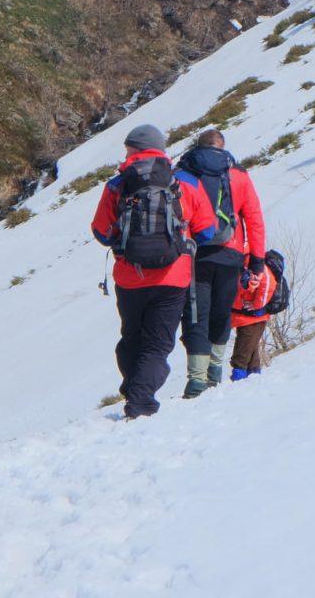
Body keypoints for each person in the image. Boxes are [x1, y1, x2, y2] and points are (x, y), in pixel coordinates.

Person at [91, 124, 216, 420]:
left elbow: (101, 232)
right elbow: (208, 230)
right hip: (173, 277)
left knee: (131, 337)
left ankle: (136, 391)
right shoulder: (184, 182)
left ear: (134, 149)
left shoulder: (117, 185)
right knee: (158, 344)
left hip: (130, 278)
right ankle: (141, 399)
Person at [175, 129, 265, 397]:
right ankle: (215, 373)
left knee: (196, 315)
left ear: (198, 147)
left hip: (195, 254)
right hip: (231, 254)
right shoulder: (238, 175)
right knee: (221, 313)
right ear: (223, 148)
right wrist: (257, 262)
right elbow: (254, 219)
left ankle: (196, 381)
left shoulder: (184, 173)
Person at [229, 249, 281, 380]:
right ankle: (253, 382)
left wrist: (257, 305)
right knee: (251, 354)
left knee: (241, 356)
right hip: (245, 317)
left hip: (253, 318)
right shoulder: (241, 260)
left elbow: (268, 283)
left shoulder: (253, 261)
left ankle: (238, 382)